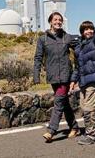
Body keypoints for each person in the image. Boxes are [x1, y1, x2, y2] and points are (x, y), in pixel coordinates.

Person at [33, 11, 81, 142]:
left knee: (59, 102)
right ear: (50, 22)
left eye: (60, 20)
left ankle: (51, 130)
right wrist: (36, 75)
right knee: (64, 103)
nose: (58, 22)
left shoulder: (67, 37)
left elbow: (82, 43)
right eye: (55, 20)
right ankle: (74, 127)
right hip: (53, 76)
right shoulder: (43, 39)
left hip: (66, 75)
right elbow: (38, 57)